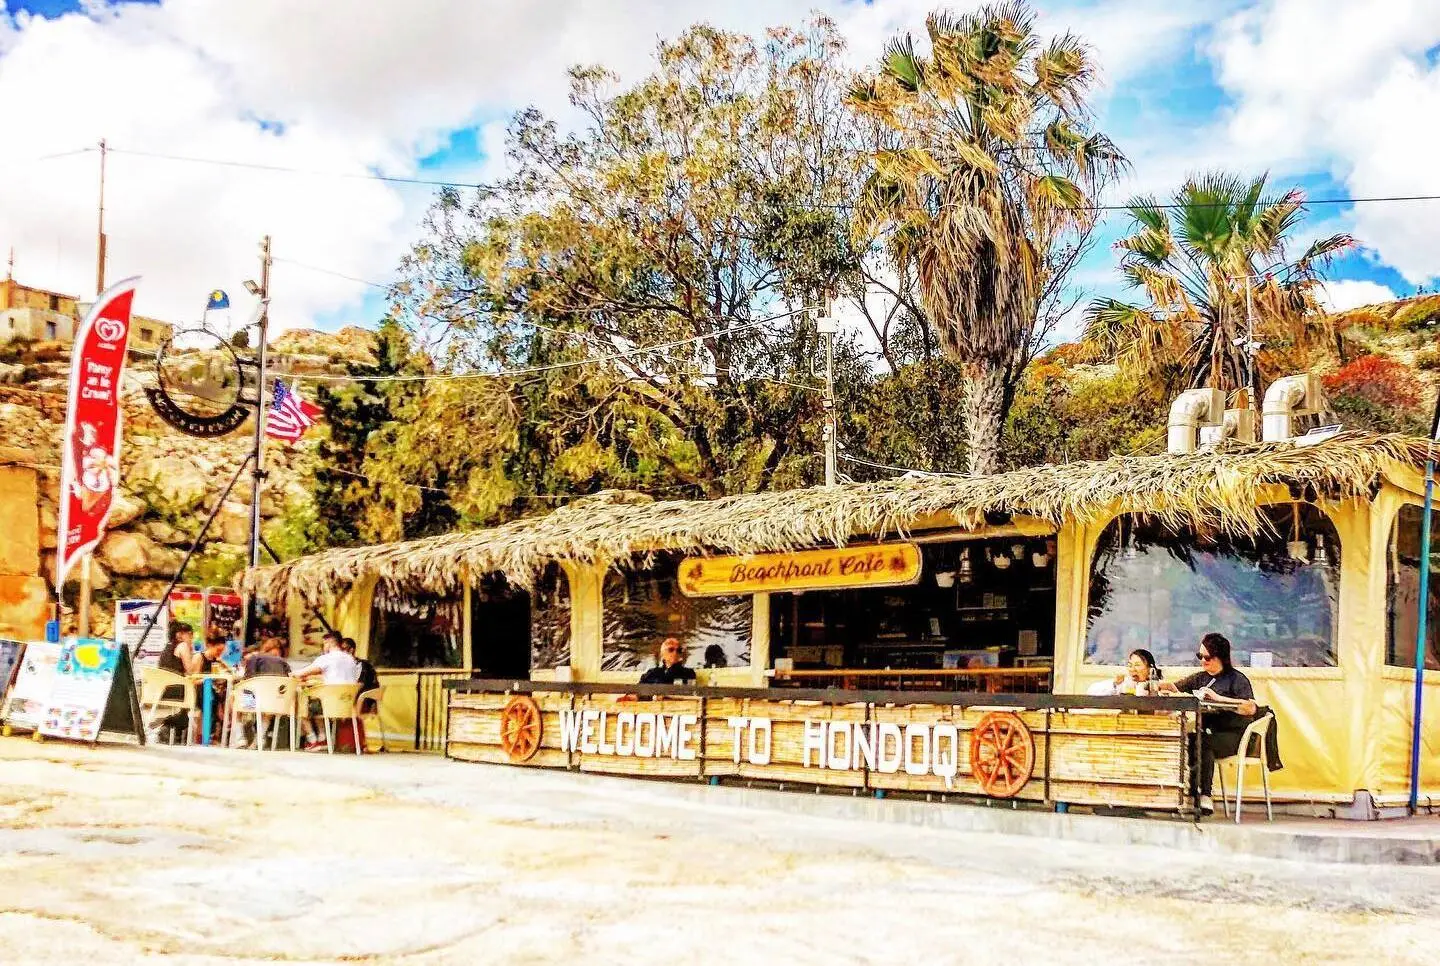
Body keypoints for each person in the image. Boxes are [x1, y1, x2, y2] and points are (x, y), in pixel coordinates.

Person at [1157, 632, 1258, 814]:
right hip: (1211, 732)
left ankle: (1203, 795)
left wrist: (1219, 698)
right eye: (1200, 656)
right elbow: (1175, 686)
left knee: (1203, 744)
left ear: (1221, 657)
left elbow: (1250, 708)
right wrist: (1153, 684)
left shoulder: (1237, 679)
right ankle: (1188, 793)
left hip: (1236, 735)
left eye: (1207, 657)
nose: (1203, 661)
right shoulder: (1201, 678)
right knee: (1188, 740)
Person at [293, 631, 362, 749]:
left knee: (301, 702)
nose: (324, 647)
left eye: (324, 644)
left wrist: (291, 673)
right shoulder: (351, 660)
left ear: (329, 643)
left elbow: (300, 673)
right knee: (316, 699)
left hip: (330, 704)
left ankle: (315, 739)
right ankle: (322, 739)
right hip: (348, 704)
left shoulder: (326, 658)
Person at [1086, 648, 1163, 696]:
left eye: (1137, 665)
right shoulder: (1125, 684)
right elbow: (1091, 691)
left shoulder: (1158, 686)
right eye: (1130, 665)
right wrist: (1114, 684)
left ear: (1149, 668)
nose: (1132, 669)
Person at [340, 637, 380, 713]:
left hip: (362, 703)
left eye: (342, 650)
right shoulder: (343, 666)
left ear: (351, 650)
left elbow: (360, 685)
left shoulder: (363, 665)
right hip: (354, 700)